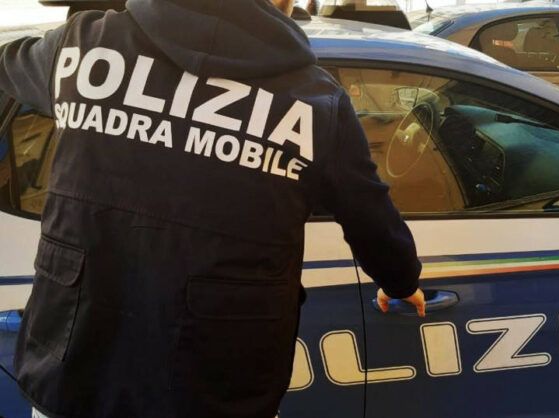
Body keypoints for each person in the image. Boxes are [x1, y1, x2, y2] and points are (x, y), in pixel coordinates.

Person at [0, 0, 425, 417]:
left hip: (74, 378)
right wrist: (401, 281)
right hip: (215, 391)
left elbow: (6, 66)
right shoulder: (315, 103)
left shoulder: (83, 47)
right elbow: (370, 217)